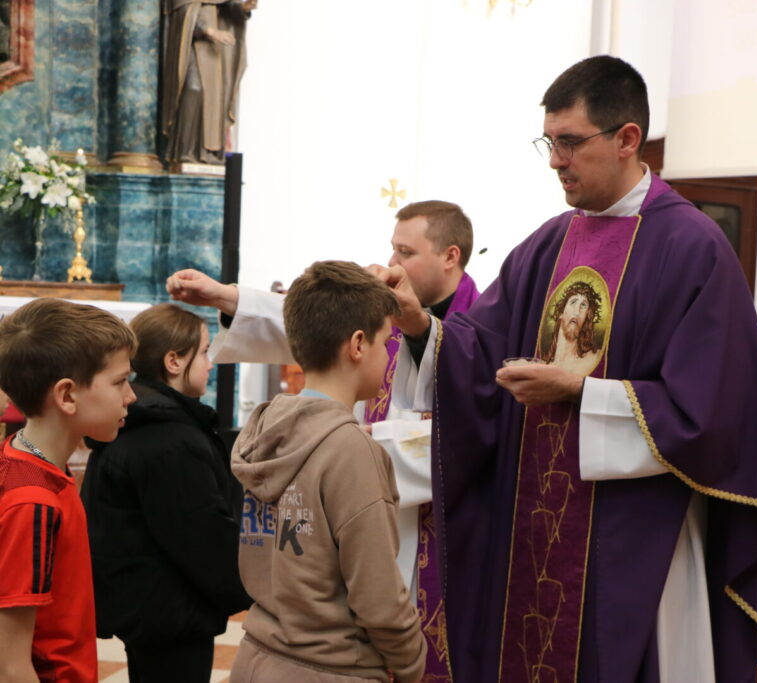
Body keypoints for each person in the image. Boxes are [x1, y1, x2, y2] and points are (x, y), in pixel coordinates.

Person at [372, 55, 757, 682]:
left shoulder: (693, 247)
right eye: (549, 142)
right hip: (534, 522)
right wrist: (417, 325)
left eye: (570, 142)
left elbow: (707, 412)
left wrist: (581, 393)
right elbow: (478, 348)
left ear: (627, 139)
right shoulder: (549, 242)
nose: (555, 160)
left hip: (637, 533)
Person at [167, 199, 479, 679]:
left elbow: (476, 430)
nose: (392, 263)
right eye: (392, 248)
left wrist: (365, 441)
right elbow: (319, 322)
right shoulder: (345, 444)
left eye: (406, 252)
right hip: (338, 648)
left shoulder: (481, 325)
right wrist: (230, 299)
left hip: (280, 636)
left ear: (450, 256)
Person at [229, 260, 426, 683]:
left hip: (257, 656)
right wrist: (412, 663)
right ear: (358, 344)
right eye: (386, 343)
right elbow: (379, 599)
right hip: (330, 668)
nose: (388, 355)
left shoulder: (262, 431)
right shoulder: (351, 451)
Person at [80, 303, 251, 683]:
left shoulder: (141, 421)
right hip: (171, 612)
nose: (210, 364)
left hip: (148, 606)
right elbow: (200, 534)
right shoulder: (169, 438)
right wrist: (251, 589)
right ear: (173, 361)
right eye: (203, 352)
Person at [0, 297, 137, 683]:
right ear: (67, 395)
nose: (131, 396)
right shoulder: (33, 501)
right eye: (120, 381)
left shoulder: (26, 461)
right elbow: (9, 666)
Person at [160, 0, 256, 165]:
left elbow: (226, 6)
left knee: (215, 97)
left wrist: (242, 8)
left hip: (214, 49)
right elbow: (183, 11)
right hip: (191, 43)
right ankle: (185, 150)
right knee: (194, 89)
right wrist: (209, 30)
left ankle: (207, 152)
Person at [540, 279, 603, 375]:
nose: (577, 311)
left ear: (586, 317)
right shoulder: (540, 365)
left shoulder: (594, 358)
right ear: (560, 313)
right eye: (573, 302)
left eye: (583, 305)